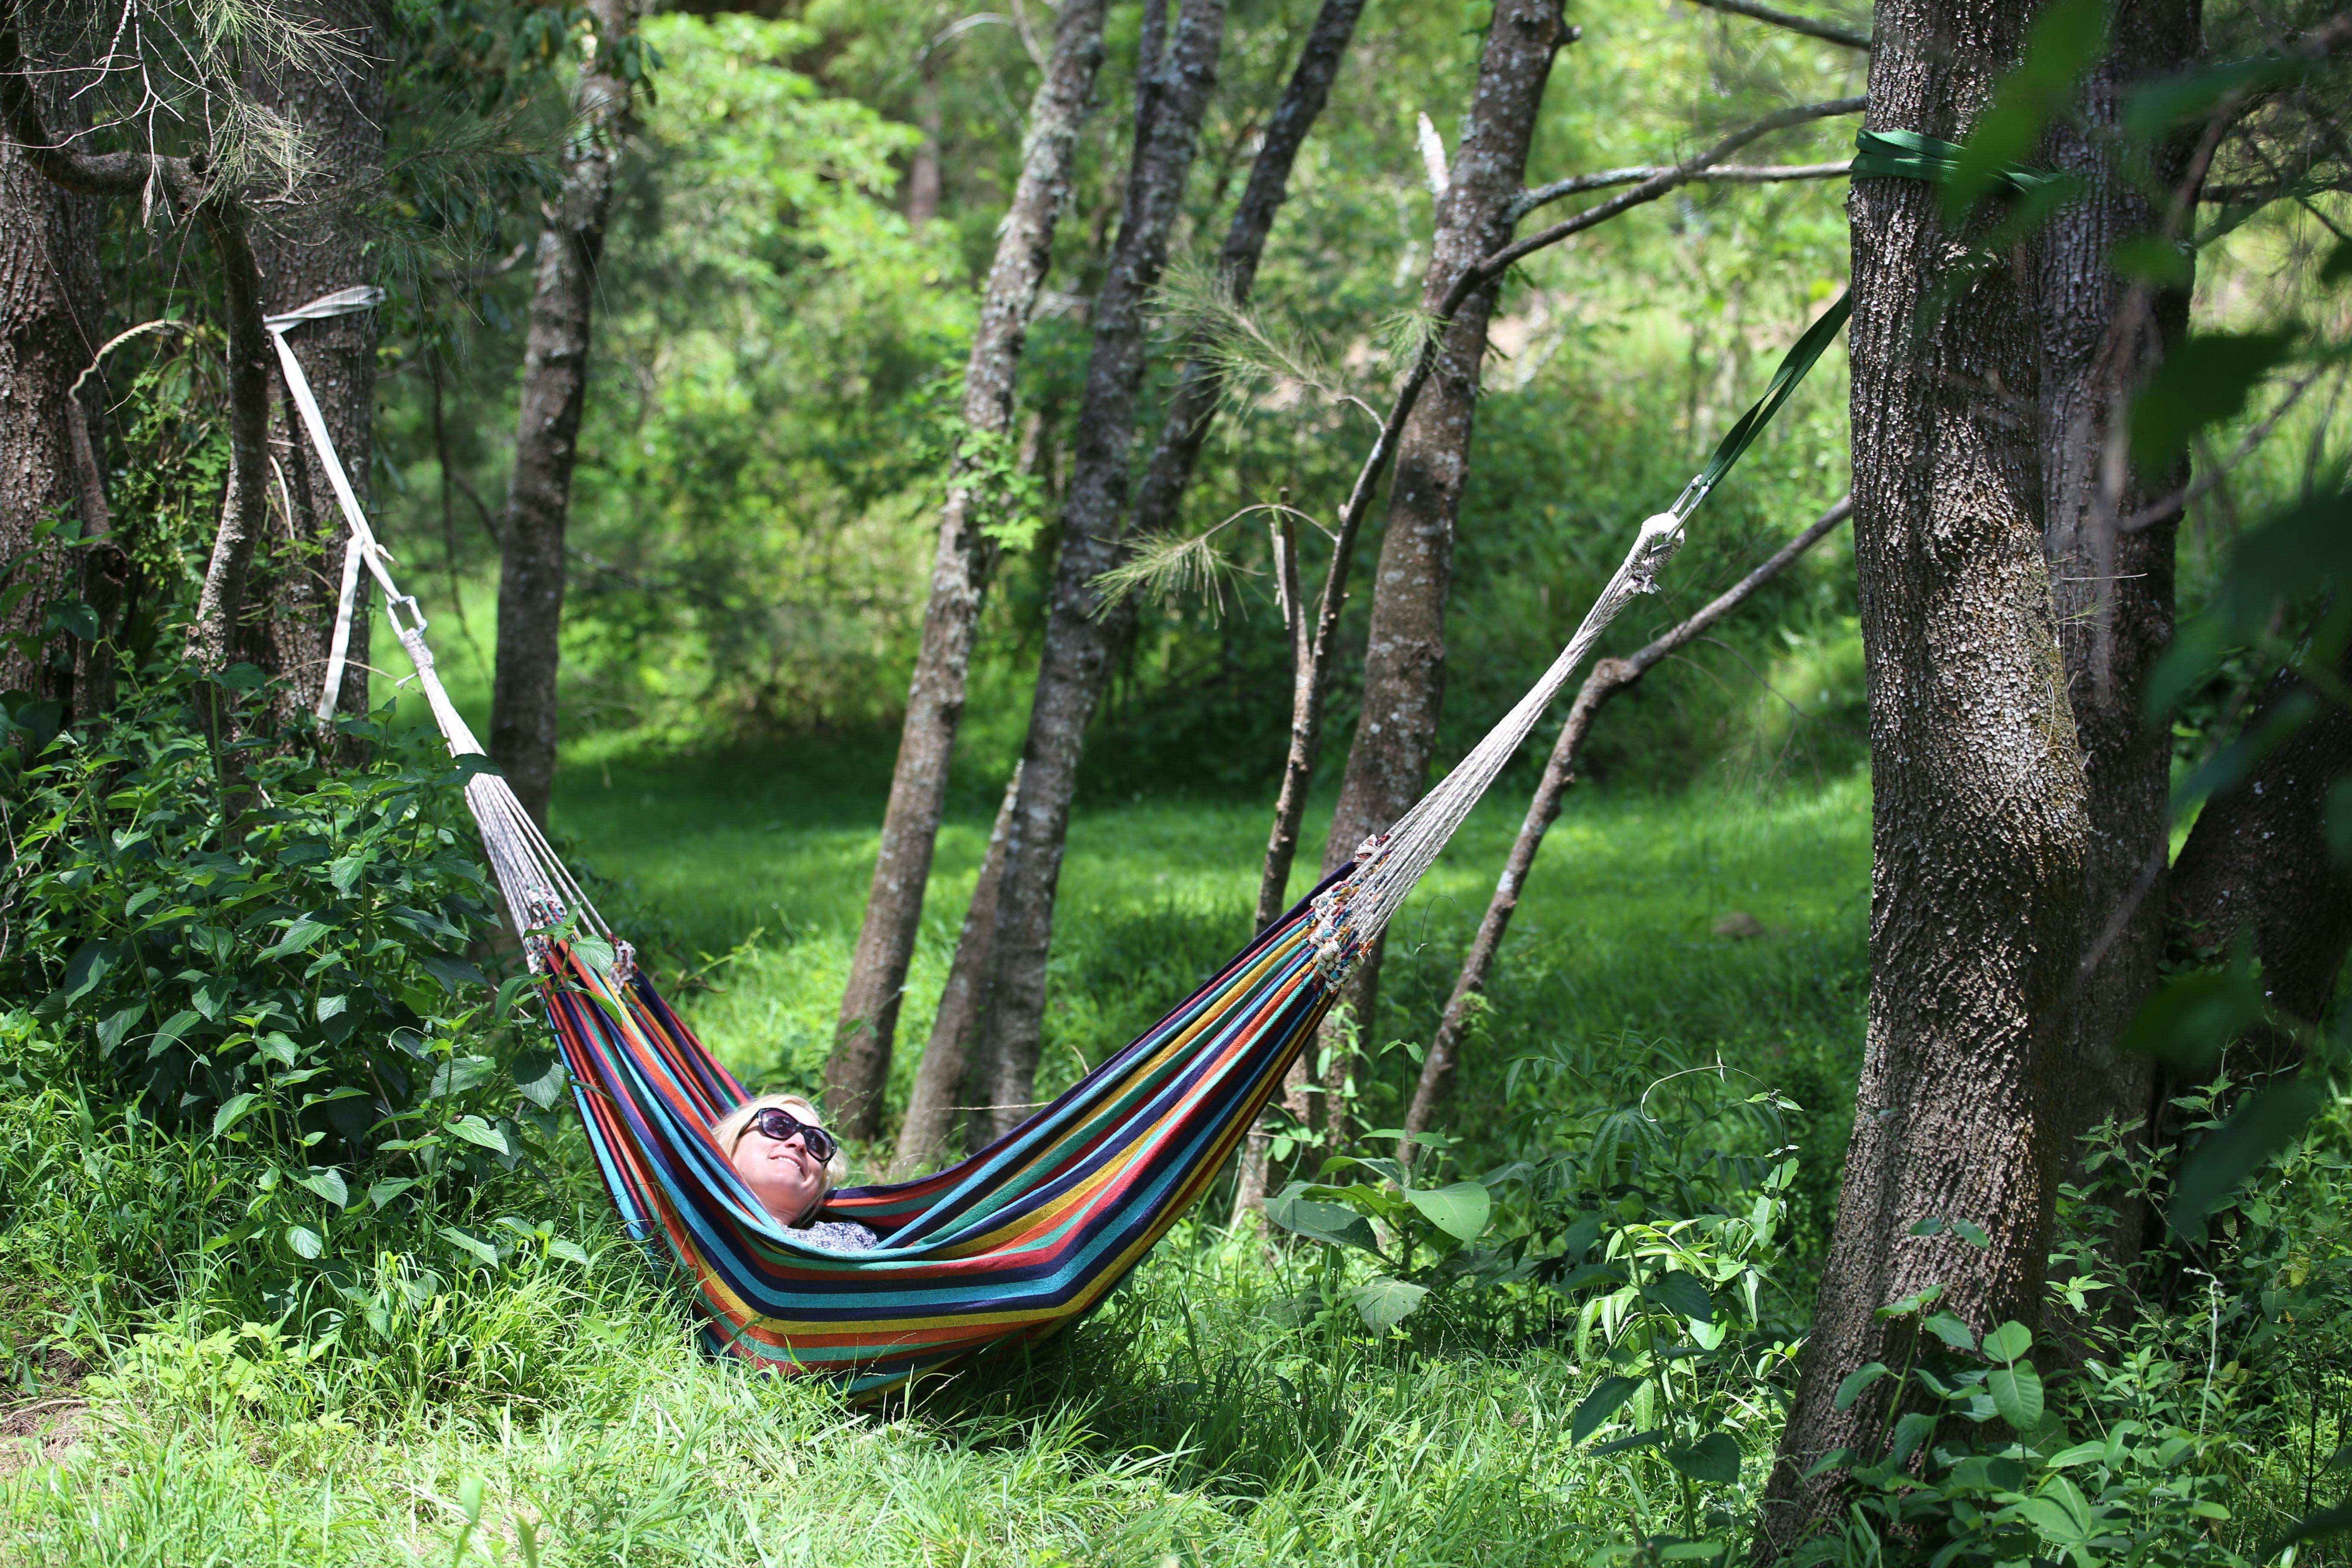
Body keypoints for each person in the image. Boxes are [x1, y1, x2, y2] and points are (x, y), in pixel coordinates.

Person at [709, 1093, 879, 1250]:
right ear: (735, 1139)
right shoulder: (686, 1207)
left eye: (816, 1143)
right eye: (778, 1126)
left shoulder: (851, 1237)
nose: (799, 1143)